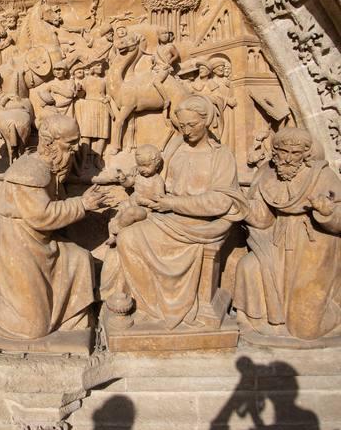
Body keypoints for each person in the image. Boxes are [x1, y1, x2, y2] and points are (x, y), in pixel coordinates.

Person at [0, 115, 109, 341]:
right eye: (70, 144)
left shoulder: (49, 166)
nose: (75, 150)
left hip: (41, 241)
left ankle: (69, 321)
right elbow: (42, 215)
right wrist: (83, 204)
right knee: (32, 327)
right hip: (19, 244)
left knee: (79, 260)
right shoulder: (29, 171)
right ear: (50, 143)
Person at [100, 95, 244, 329]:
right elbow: (158, 182)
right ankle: (148, 305)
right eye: (183, 126)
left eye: (192, 125)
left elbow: (220, 202)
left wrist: (173, 204)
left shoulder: (221, 156)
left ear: (206, 121)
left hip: (202, 224)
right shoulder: (178, 151)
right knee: (127, 235)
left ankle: (162, 308)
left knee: (130, 237)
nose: (187, 131)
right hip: (170, 218)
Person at [234, 127, 341, 342]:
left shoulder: (322, 176)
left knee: (305, 329)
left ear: (306, 154)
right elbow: (263, 219)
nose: (288, 159)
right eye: (283, 152)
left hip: (314, 249)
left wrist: (327, 211)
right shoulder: (267, 172)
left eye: (295, 153)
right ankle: (261, 320)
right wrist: (242, 205)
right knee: (248, 266)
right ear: (274, 151)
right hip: (277, 244)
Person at [106, 145, 165, 247]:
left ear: (157, 165)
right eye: (140, 165)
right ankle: (111, 236)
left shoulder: (157, 180)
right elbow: (129, 184)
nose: (142, 169)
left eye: (147, 166)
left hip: (144, 209)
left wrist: (143, 201)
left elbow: (160, 201)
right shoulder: (138, 175)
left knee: (132, 212)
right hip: (130, 202)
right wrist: (123, 179)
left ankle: (116, 230)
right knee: (117, 211)